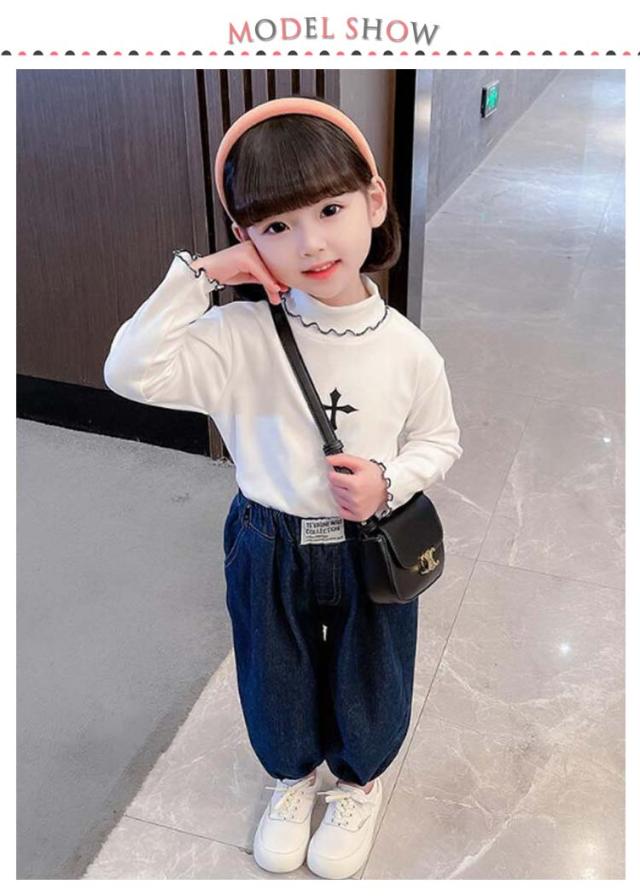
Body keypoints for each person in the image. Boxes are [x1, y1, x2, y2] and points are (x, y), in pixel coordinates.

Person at [103, 95, 463, 880]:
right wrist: (203, 276)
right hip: (268, 537)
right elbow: (128, 372)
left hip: (369, 540)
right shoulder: (236, 337)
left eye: (330, 209)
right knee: (274, 669)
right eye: (275, 226)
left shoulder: (409, 350)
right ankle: (291, 779)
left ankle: (357, 783)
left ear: (374, 200)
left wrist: (389, 479)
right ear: (247, 240)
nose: (311, 242)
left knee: (373, 667)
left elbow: (441, 440)